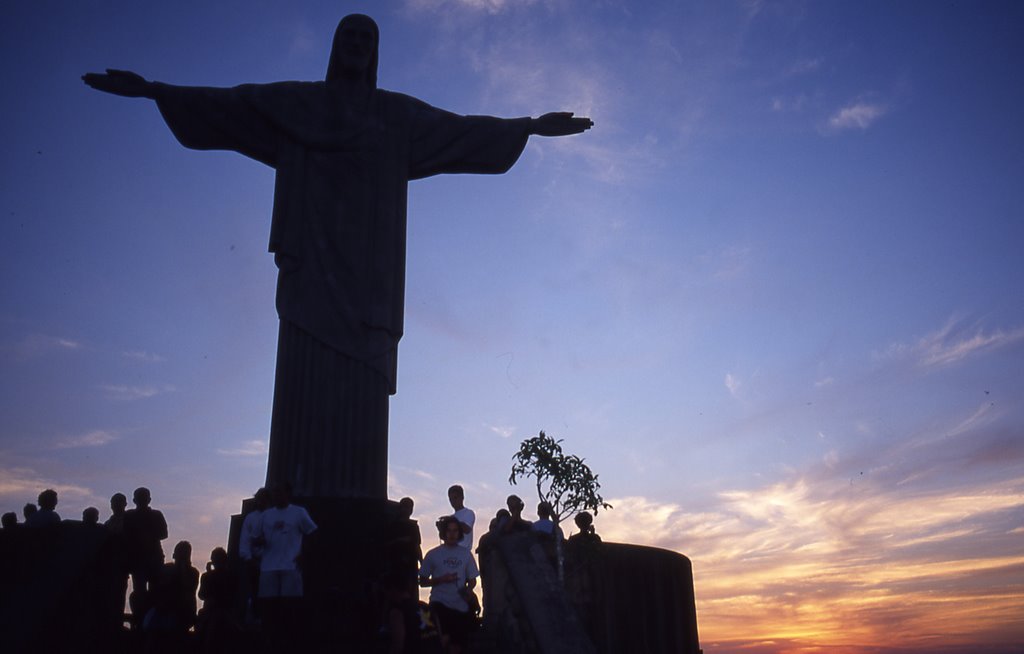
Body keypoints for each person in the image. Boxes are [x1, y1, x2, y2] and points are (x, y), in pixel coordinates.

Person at [82, 14, 592, 500]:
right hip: (310, 257)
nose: (355, 43)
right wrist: (155, 90)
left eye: (365, 37)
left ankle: (356, 492)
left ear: (374, 53)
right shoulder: (297, 104)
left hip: (371, 272)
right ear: (334, 46)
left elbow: (459, 130)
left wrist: (526, 127)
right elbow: (232, 105)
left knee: (363, 369)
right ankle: (290, 489)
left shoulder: (397, 115)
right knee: (304, 359)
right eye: (347, 34)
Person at [257, 482, 317, 649]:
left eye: (279, 492)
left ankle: (290, 641)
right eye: (275, 493)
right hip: (268, 566)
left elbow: (312, 532)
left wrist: (303, 554)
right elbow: (257, 537)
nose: (276, 496)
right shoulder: (266, 515)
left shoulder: (298, 513)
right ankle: (270, 641)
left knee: (290, 606)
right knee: (269, 607)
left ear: (288, 494)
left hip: (290, 566)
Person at [420, 515, 479, 654]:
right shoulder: (433, 554)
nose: (452, 534)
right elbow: (422, 581)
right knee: (442, 641)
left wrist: (468, 589)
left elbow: (472, 579)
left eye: (455, 531)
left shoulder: (466, 554)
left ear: (459, 533)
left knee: (457, 647)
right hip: (439, 602)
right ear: (444, 533)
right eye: (449, 531)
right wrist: (441, 580)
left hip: (460, 605)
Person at [124, 487, 168, 626]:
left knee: (154, 592)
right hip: (139, 560)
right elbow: (125, 535)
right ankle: (141, 620)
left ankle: (150, 621)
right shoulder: (130, 516)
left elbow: (164, 533)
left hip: (152, 559)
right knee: (140, 593)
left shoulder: (155, 515)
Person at [144, 540, 200, 650]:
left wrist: (182, 569)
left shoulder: (193, 573)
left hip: (182, 612)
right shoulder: (166, 569)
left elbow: (188, 588)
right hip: (163, 610)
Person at [447, 485, 475, 550]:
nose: (453, 501)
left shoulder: (468, 513)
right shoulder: (451, 517)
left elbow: (467, 530)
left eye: (455, 498)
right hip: (451, 552)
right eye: (451, 499)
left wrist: (450, 521)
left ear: (462, 497)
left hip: (464, 553)